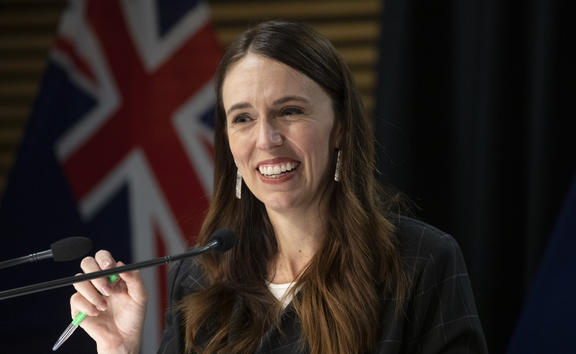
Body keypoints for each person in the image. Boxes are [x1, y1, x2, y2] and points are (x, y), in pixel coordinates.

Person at [69, 21, 488, 353]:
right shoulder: (199, 279)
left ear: (340, 126)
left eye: (289, 111)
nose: (266, 140)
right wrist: (119, 349)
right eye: (243, 118)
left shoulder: (422, 263)